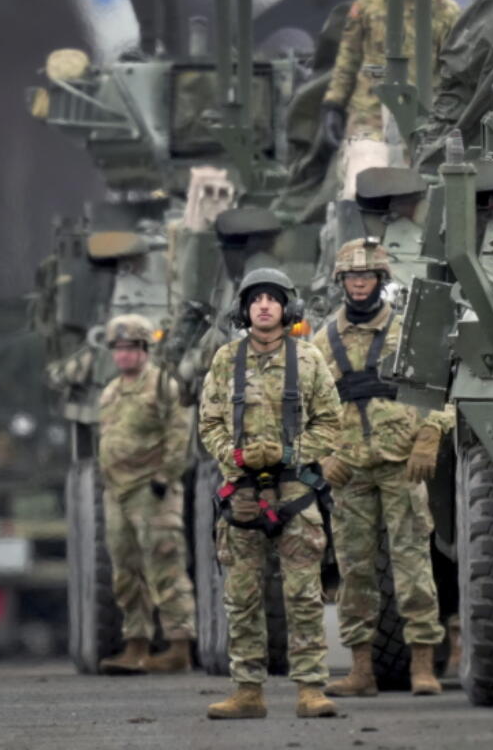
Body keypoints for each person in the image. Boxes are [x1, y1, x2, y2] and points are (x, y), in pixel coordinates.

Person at [198, 268, 343, 719]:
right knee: (241, 598)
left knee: (302, 596)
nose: (264, 305)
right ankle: (247, 691)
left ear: (287, 309)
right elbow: (209, 423)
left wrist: (289, 453)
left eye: (272, 299)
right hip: (241, 494)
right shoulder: (226, 360)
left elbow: (330, 423)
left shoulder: (308, 359)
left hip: (296, 489)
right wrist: (235, 458)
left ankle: (311, 689)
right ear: (245, 309)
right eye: (256, 299)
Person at [311, 238, 454, 697]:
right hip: (349, 471)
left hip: (401, 466)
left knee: (413, 567)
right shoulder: (322, 342)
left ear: (380, 281)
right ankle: (361, 670)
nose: (359, 284)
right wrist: (322, 456)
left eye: (367, 276)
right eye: (351, 277)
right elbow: (300, 408)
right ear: (340, 282)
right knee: (355, 573)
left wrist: (430, 435)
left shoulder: (406, 333)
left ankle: (423, 666)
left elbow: (441, 388)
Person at [321, 0, 462, 190]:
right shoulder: (369, 1)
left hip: (420, 122)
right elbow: (348, 56)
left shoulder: (447, 12)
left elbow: (455, 71)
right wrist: (333, 103)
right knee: (362, 185)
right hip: (369, 116)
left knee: (412, 195)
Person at [96, 314, 196, 675]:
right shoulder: (110, 392)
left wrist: (165, 475)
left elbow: (178, 431)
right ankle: (135, 644)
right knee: (125, 571)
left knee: (164, 565)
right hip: (118, 492)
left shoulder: (162, 386)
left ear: (144, 350)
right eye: (118, 349)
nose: (123, 356)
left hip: (152, 490)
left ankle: (178, 646)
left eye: (130, 348)